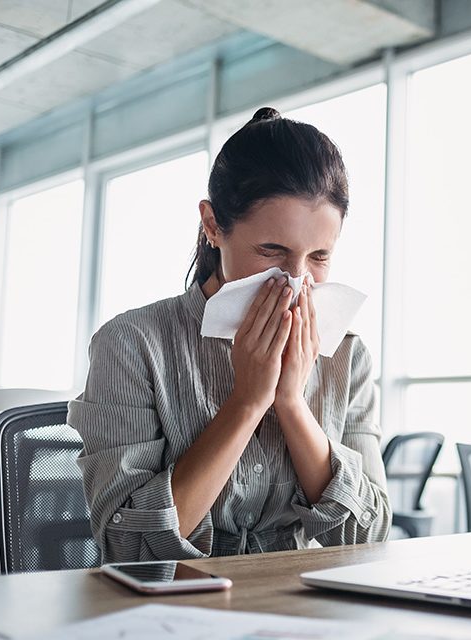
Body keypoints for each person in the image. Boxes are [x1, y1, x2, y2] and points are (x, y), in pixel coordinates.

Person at [68, 107, 391, 562]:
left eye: (319, 257)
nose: (296, 281)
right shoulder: (132, 345)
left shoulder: (347, 355)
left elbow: (370, 538)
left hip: (298, 609)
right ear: (213, 225)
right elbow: (130, 547)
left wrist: (292, 405)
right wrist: (247, 401)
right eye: (271, 251)